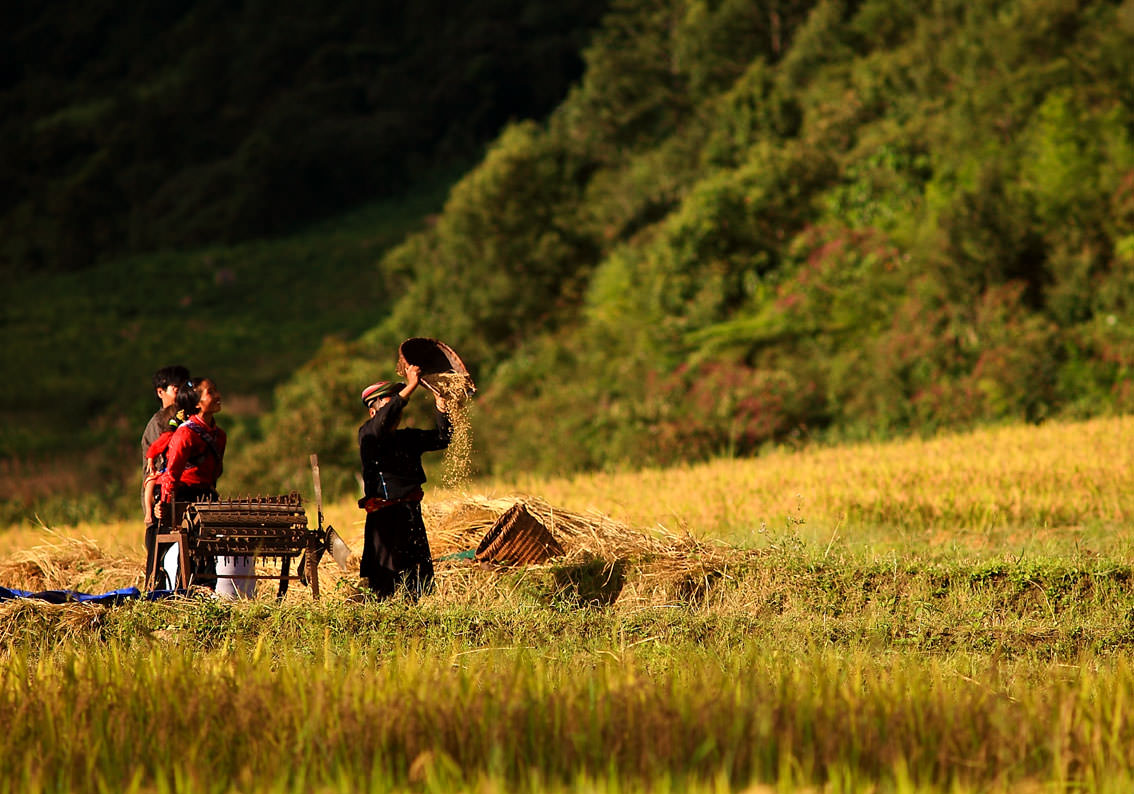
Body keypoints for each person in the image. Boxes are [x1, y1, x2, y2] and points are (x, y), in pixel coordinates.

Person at [357, 364, 451, 600]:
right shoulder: (368, 435)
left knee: (417, 580)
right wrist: (410, 386)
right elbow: (384, 420)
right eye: (389, 404)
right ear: (373, 412)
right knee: (384, 584)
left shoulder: (406, 438)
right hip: (384, 519)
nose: (395, 411)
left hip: (410, 514)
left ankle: (413, 624)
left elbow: (443, 438)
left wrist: (441, 407)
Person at [157, 377, 227, 591]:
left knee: (210, 549)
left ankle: (207, 589)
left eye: (216, 390)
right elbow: (172, 474)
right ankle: (184, 591)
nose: (217, 396)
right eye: (211, 392)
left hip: (208, 497)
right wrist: (166, 505)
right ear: (197, 403)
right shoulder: (185, 434)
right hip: (186, 499)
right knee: (190, 551)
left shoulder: (220, 436)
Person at [141, 365, 190, 587]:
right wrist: (152, 508)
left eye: (184, 388)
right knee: (158, 560)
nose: (179, 394)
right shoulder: (157, 425)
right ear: (160, 392)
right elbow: (151, 473)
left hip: (186, 494)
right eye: (174, 388)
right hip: (164, 496)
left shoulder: (189, 418)